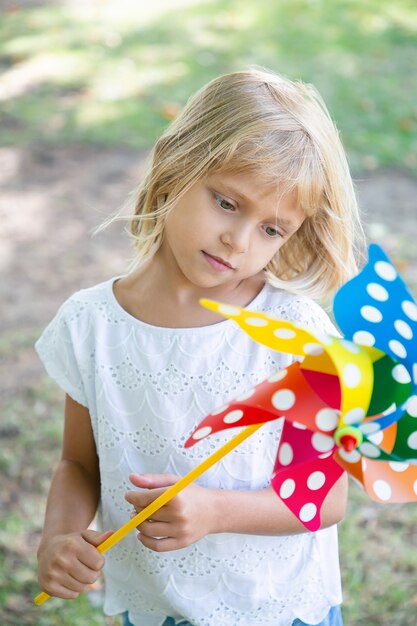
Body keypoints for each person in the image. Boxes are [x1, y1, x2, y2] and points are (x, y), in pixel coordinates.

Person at [35, 68, 364, 626]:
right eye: (228, 203)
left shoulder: (296, 334)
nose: (239, 241)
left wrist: (214, 510)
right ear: (173, 168)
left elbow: (325, 498)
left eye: (272, 230)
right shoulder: (91, 325)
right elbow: (78, 461)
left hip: (278, 609)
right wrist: (59, 535)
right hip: (157, 604)